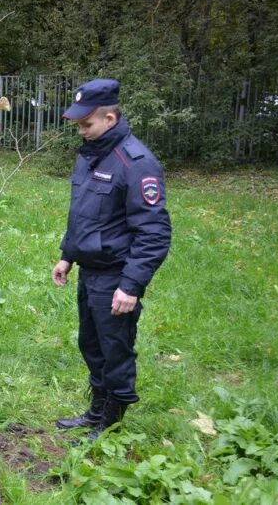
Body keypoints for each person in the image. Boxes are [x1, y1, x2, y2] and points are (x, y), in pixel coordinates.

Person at [51, 78, 171, 440]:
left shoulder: (136, 164)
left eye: (87, 124)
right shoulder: (92, 157)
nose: (81, 131)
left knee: (114, 348)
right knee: (91, 343)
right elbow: (85, 215)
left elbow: (154, 233)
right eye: (78, 125)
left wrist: (130, 285)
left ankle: (112, 423)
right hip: (90, 272)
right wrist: (67, 256)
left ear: (110, 118)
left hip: (116, 277)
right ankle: (96, 411)